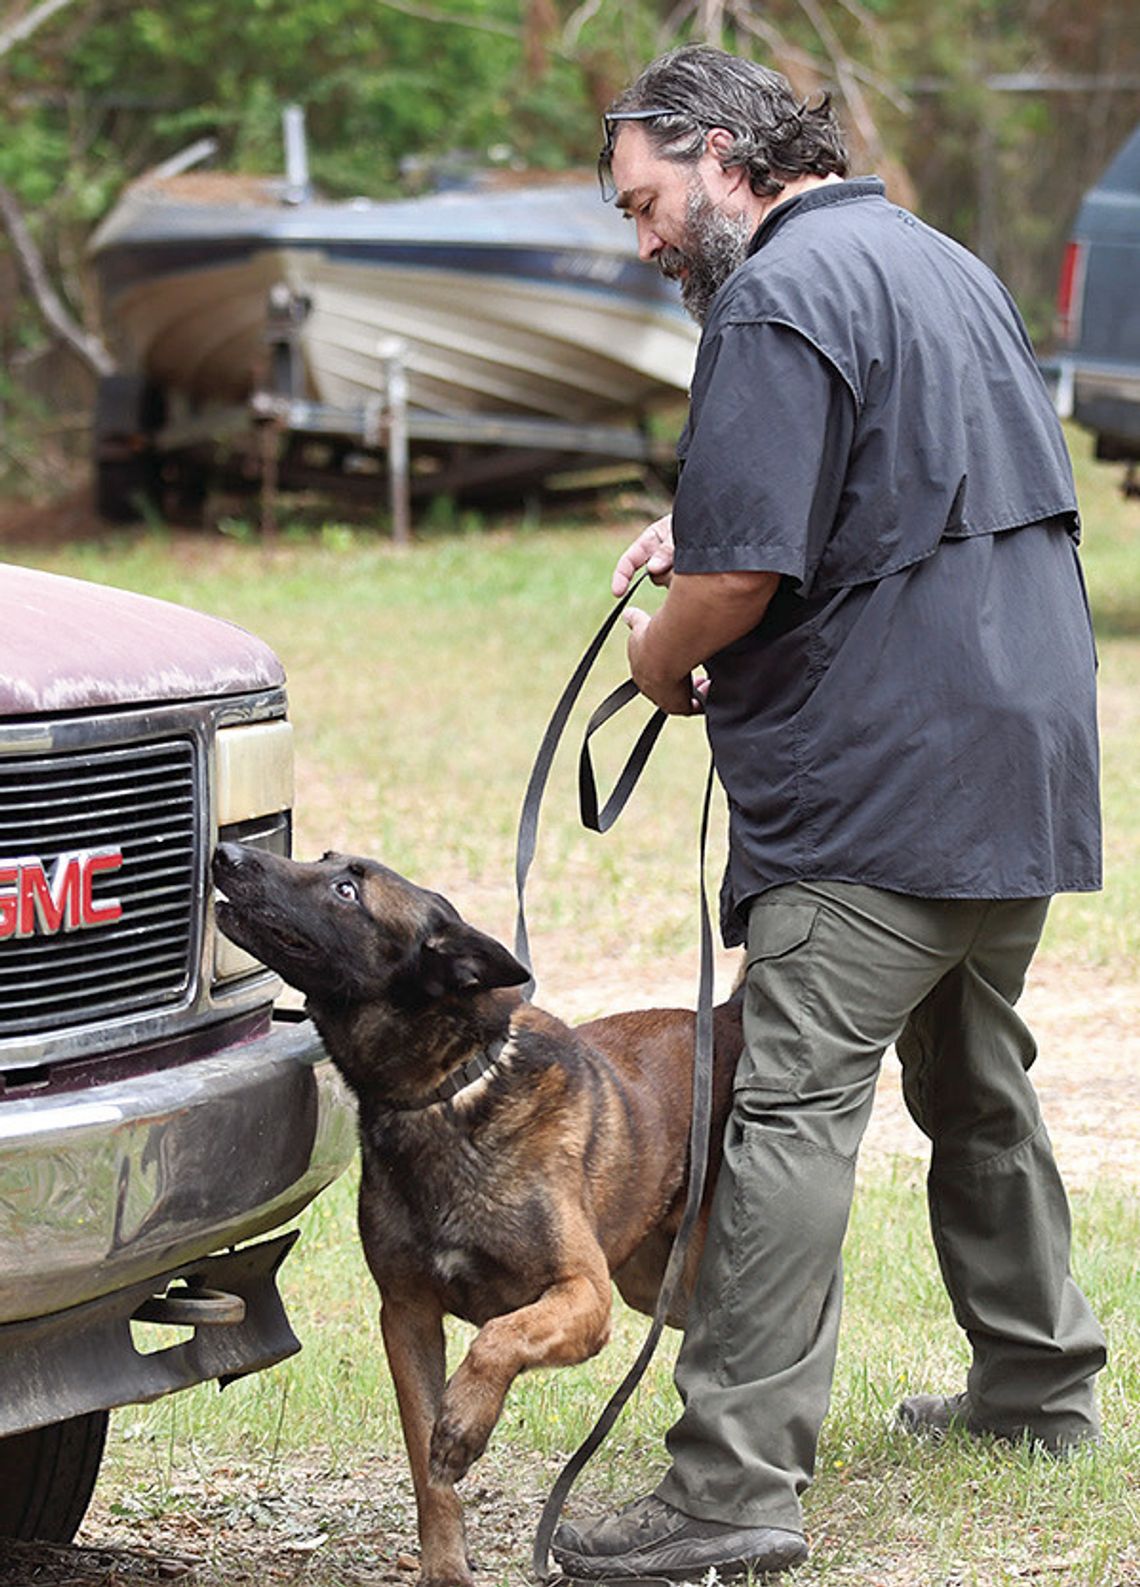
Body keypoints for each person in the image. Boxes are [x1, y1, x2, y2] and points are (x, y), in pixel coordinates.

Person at [550, 42, 1107, 1585]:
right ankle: (1038, 1389)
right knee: (978, 1072)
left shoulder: (776, 296)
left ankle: (732, 1488)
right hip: (1023, 756)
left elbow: (736, 587)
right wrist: (711, 525)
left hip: (888, 781)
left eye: (650, 202)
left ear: (727, 155)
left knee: (789, 1114)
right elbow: (895, 475)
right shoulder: (935, 262)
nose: (645, 237)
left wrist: (666, 657)